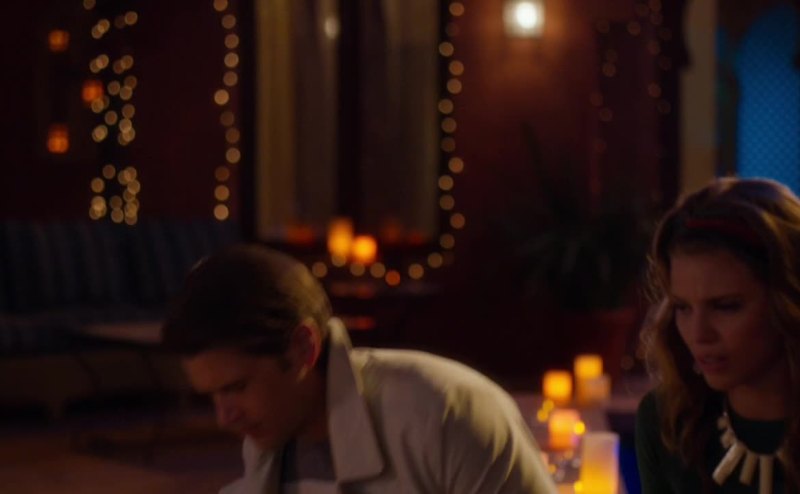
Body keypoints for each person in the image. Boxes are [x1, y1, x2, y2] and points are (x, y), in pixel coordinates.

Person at [161, 243, 556, 494]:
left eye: (236, 387)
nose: (224, 418)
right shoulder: (270, 449)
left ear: (302, 349)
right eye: (212, 396)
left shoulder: (445, 413)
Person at [636, 177, 800, 493]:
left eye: (726, 306)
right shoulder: (669, 424)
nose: (698, 334)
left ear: (788, 300)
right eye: (683, 308)